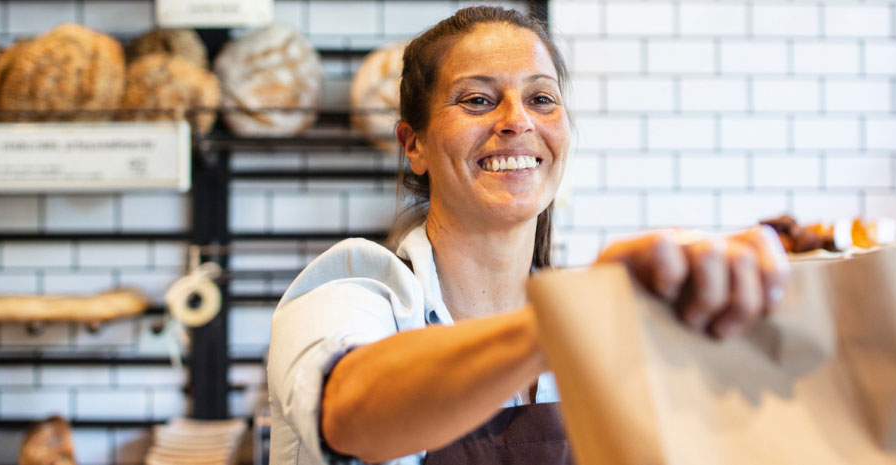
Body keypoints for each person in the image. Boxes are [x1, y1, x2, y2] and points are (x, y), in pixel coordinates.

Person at [266, 7, 789, 464]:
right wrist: (564, 321)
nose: (516, 120)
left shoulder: (600, 331)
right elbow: (351, 414)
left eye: (541, 99)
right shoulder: (350, 296)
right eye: (476, 100)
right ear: (414, 144)